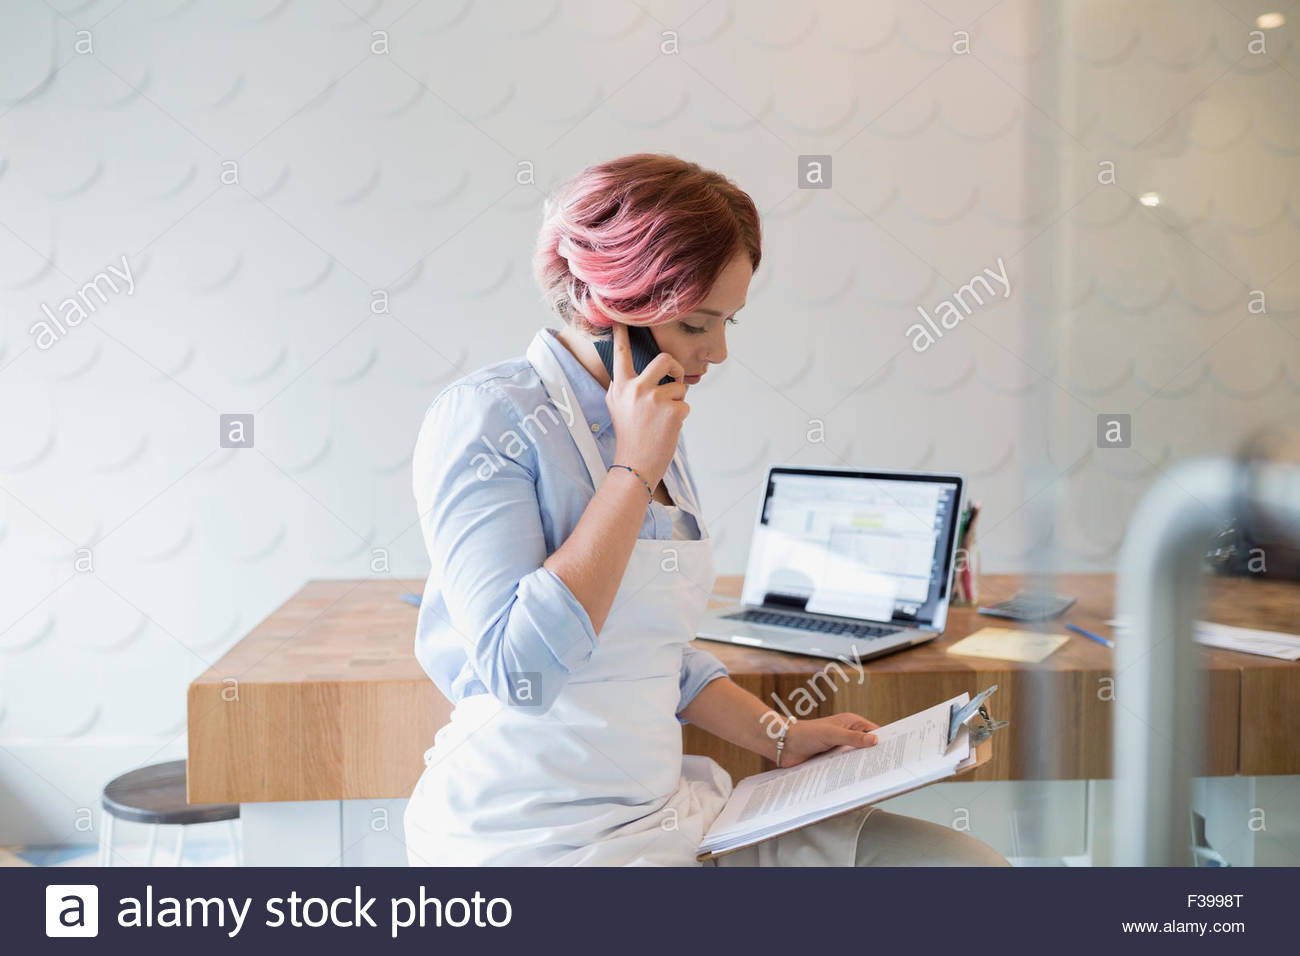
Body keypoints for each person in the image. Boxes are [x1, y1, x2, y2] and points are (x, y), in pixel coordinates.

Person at [404, 153, 1007, 867]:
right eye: (696, 324)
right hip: (534, 840)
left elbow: (653, 646)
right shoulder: (489, 420)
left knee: (969, 871)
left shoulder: (651, 415)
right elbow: (520, 669)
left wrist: (780, 734)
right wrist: (632, 473)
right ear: (608, 308)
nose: (718, 352)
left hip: (669, 815)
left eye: (727, 322)